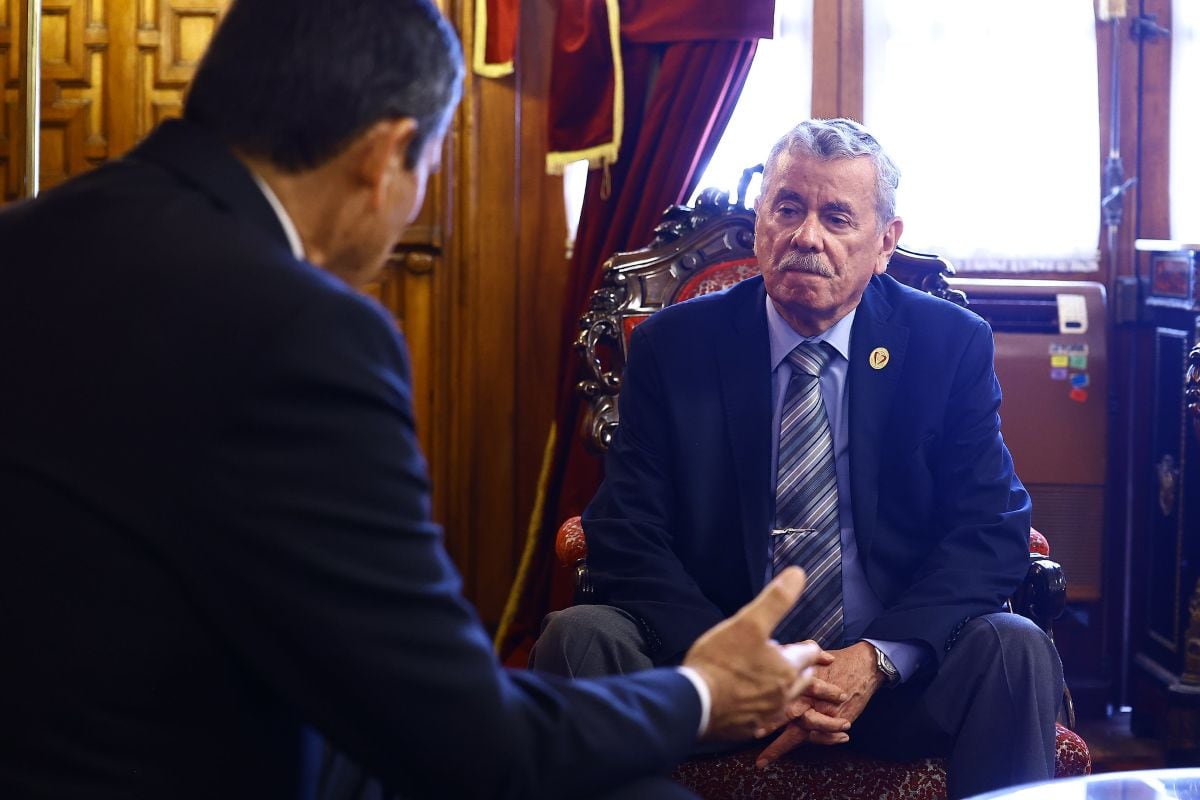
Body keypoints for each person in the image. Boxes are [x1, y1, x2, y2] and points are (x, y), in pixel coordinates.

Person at [0, 2, 823, 798]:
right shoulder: (306, 334)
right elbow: (465, 739)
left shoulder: (22, 237)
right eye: (427, 168)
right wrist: (705, 695)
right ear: (385, 154)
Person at [531, 118, 1066, 799]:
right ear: (760, 223)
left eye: (837, 217)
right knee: (578, 638)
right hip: (715, 677)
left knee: (1012, 648)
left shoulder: (947, 344)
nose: (806, 236)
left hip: (892, 687)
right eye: (788, 209)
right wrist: (736, 665)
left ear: (884, 243)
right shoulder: (675, 346)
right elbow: (627, 530)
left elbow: (990, 528)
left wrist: (876, 660)